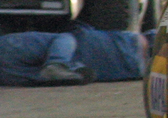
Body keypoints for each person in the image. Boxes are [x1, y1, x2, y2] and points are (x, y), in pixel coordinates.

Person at [0, 23, 151, 86]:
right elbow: (66, 38)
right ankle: (57, 64)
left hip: (127, 68)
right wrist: (57, 62)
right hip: (126, 55)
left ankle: (59, 65)